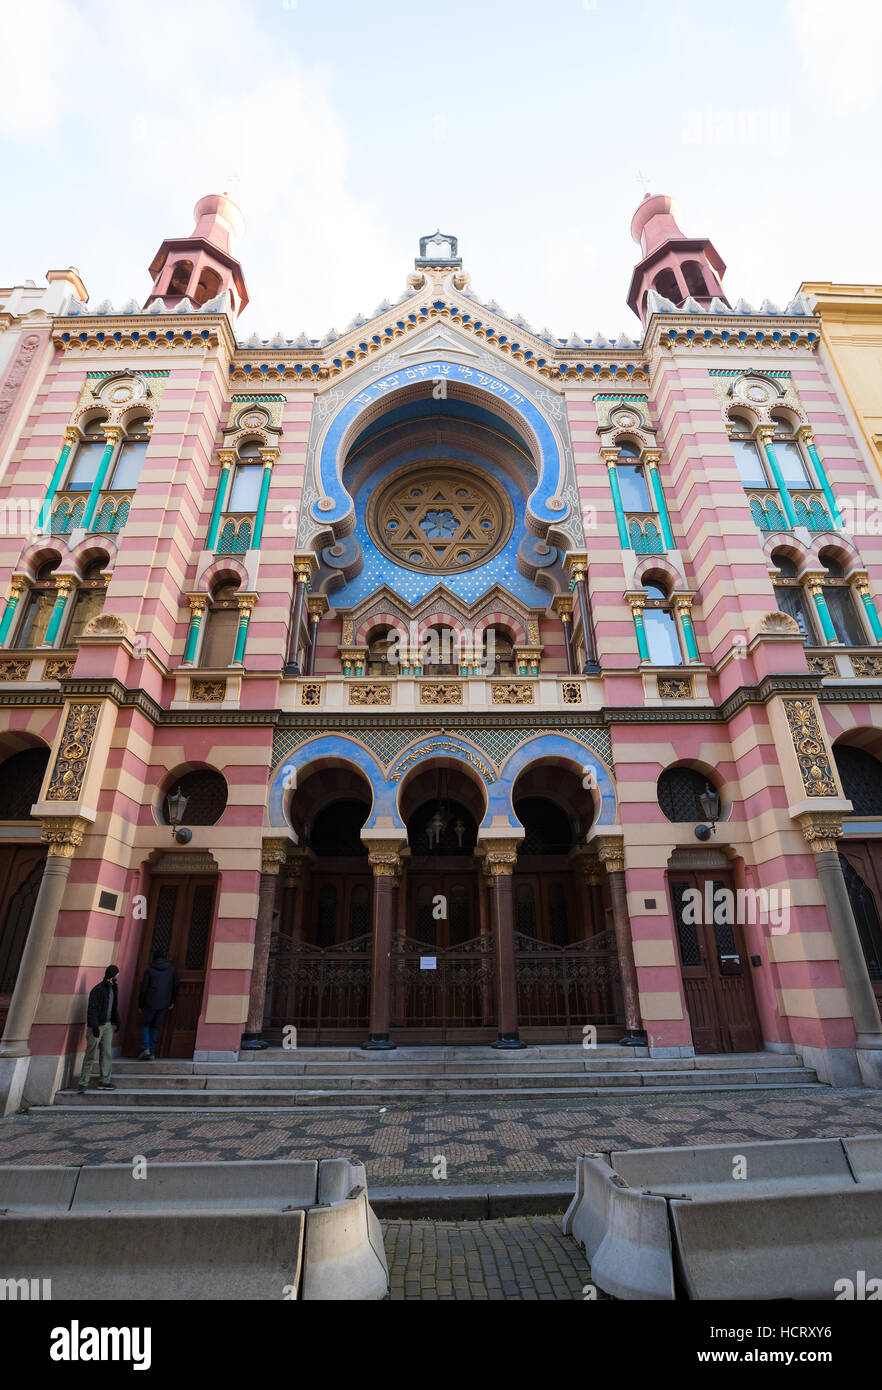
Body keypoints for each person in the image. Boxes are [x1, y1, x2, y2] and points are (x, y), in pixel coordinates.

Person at [78, 965, 121, 1092]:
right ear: (112, 975)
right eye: (117, 974)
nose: (118, 976)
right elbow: (92, 1009)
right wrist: (94, 1026)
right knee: (90, 1055)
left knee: (107, 1053)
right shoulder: (98, 989)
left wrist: (117, 1021)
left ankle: (105, 1081)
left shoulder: (114, 988)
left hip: (107, 1026)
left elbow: (114, 1007)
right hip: (96, 1027)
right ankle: (83, 1082)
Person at [137, 950, 178, 1060]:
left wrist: (140, 1005)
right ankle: (152, 1052)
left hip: (149, 1002)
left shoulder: (149, 969)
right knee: (154, 1026)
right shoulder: (171, 970)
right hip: (164, 1003)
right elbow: (175, 986)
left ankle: (146, 1048)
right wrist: (172, 1001)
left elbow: (144, 989)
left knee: (146, 1025)